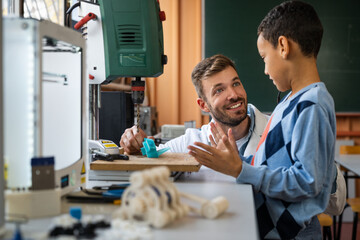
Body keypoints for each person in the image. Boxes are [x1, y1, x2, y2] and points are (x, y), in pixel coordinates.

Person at [188, 1, 336, 239]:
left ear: (283, 46)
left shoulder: (313, 104)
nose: (265, 70)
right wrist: (236, 161)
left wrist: (241, 169)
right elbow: (276, 166)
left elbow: (307, 182)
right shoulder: (290, 102)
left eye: (264, 57)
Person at [120, 54, 269, 158]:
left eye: (236, 83)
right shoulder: (191, 143)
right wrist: (133, 147)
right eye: (219, 90)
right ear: (203, 105)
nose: (234, 95)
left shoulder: (275, 128)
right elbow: (146, 160)